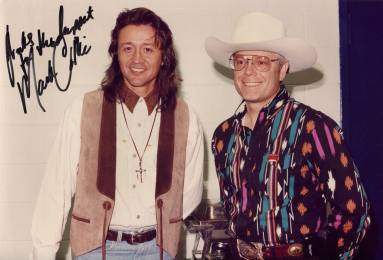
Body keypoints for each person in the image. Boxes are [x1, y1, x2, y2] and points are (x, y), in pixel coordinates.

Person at [31, 7, 204, 260]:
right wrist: (43, 253)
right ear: (116, 54)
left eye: (148, 48)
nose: (137, 59)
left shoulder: (186, 117)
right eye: (127, 48)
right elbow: (55, 190)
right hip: (96, 249)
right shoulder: (84, 109)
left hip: (158, 250)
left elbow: (189, 194)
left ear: (164, 56)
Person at [205, 12, 370, 259]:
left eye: (261, 62)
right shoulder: (223, 136)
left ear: (282, 70)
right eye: (241, 61)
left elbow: (354, 211)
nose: (248, 71)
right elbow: (231, 208)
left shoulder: (313, 127)